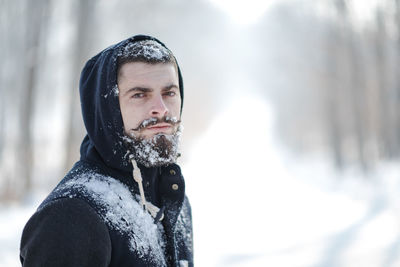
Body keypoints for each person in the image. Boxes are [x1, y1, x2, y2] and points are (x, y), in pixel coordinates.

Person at [19, 35, 193, 267]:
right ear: (107, 109)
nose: (160, 109)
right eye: (140, 95)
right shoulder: (72, 217)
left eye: (169, 93)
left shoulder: (171, 196)